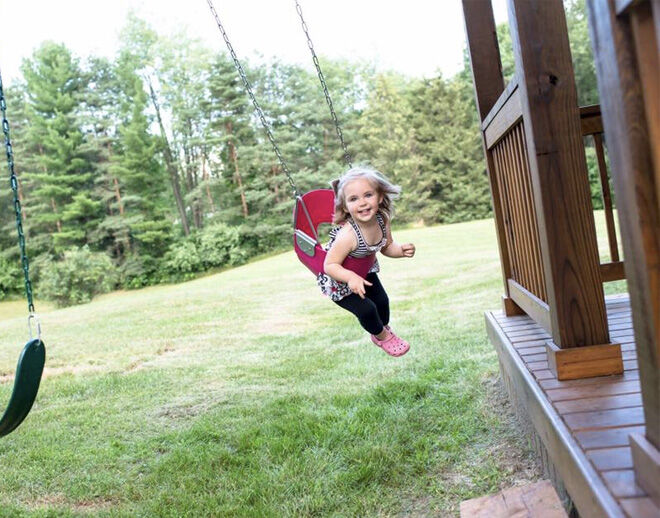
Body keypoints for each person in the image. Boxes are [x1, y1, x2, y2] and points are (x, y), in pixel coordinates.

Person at [316, 166, 416, 357]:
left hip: (365, 270)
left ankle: (381, 330)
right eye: (354, 199)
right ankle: (383, 336)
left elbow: (387, 246)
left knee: (382, 302)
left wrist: (400, 250)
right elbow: (330, 265)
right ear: (345, 206)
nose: (362, 203)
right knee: (368, 310)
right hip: (340, 279)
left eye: (368, 195)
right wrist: (350, 278)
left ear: (379, 196)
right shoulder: (347, 235)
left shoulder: (382, 219)